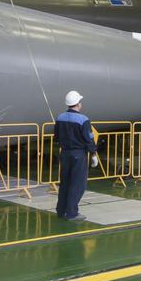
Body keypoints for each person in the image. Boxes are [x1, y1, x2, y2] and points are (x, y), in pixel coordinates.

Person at [55, 90, 98, 221]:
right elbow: (88, 138)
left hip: (65, 153)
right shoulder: (83, 119)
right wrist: (94, 153)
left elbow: (56, 137)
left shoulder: (60, 117)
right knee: (77, 184)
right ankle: (72, 213)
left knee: (65, 183)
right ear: (78, 104)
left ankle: (61, 210)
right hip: (78, 155)